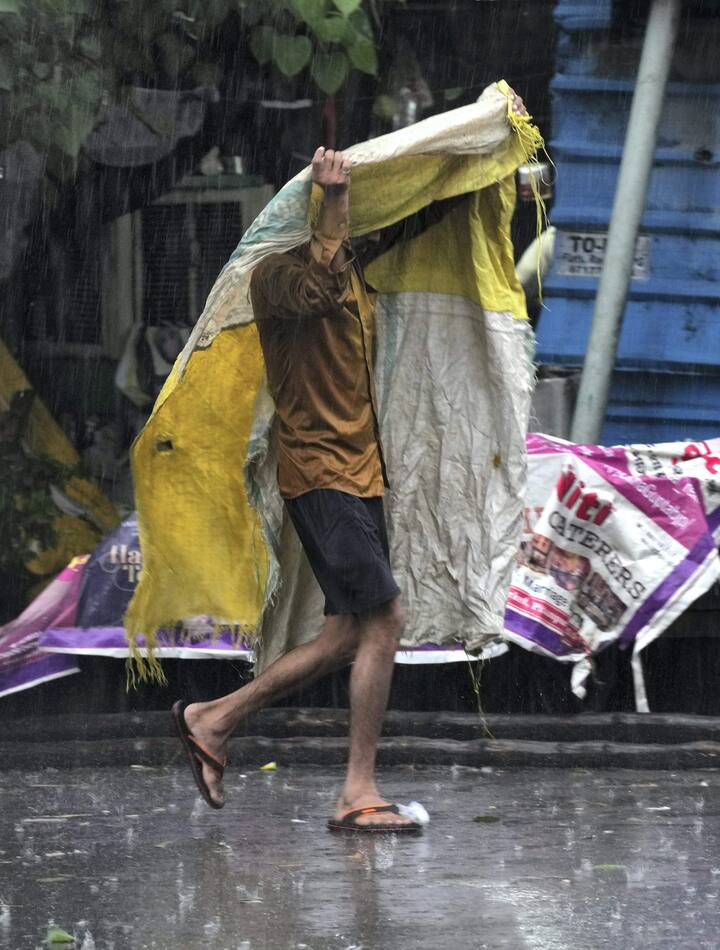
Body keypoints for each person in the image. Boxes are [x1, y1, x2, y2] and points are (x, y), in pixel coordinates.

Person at [173, 91, 528, 834]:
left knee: (347, 632)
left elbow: (414, 217)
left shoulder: (351, 258)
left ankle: (211, 718)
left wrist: (492, 156)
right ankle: (355, 792)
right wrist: (331, 206)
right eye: (332, 203)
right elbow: (319, 283)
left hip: (357, 475)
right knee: (387, 617)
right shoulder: (274, 277)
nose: (347, 216)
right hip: (319, 476)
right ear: (302, 206)